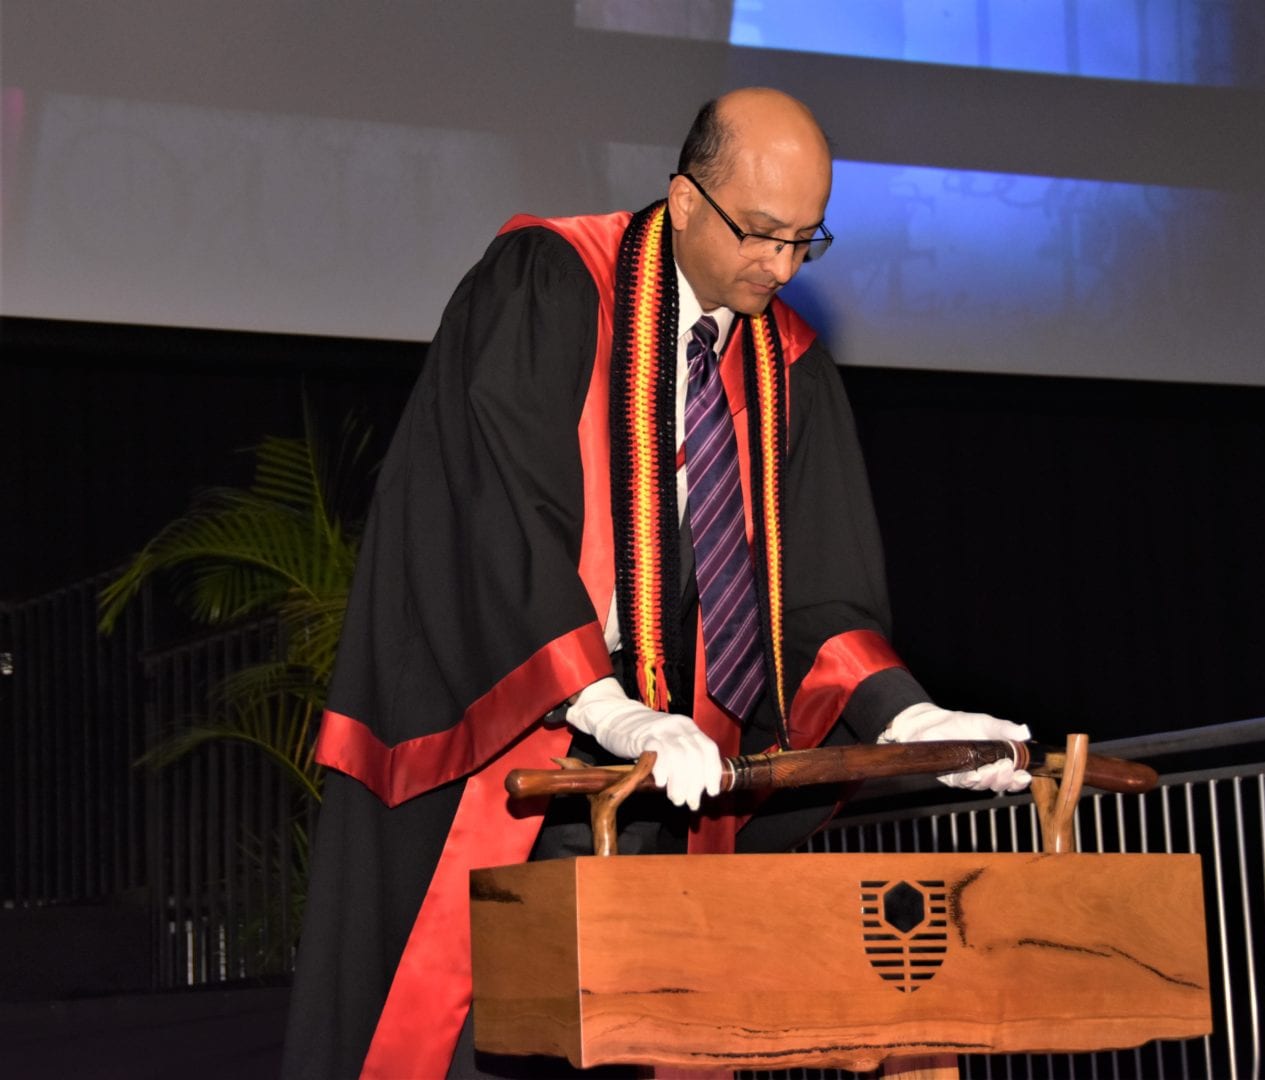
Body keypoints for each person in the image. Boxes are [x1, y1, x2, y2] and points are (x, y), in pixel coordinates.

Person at [282, 87, 1031, 1079]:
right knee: (482, 1037)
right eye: (761, 234)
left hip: (681, 778)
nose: (781, 265)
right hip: (526, 742)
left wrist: (905, 719)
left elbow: (814, 600)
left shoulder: (787, 363)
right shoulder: (550, 283)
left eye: (808, 241)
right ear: (683, 201)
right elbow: (493, 515)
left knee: (655, 1036)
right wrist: (604, 703)